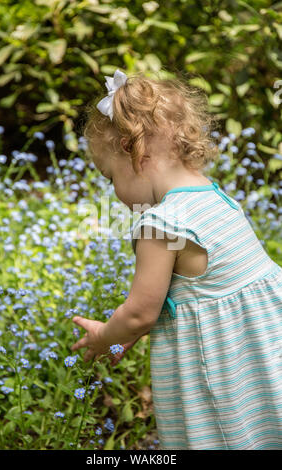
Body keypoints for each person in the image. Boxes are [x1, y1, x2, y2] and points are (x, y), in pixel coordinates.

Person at [71, 69, 282, 450]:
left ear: (133, 153)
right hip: (261, 354)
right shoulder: (214, 195)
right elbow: (198, 293)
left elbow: (140, 313)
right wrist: (130, 334)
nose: (114, 190)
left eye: (109, 176)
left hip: (218, 376)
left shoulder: (160, 224)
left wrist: (106, 336)